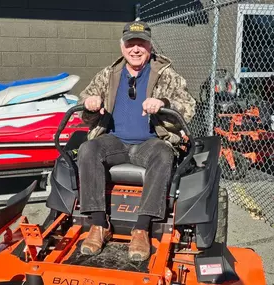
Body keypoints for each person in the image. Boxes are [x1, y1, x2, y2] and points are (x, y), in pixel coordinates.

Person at [77, 20, 196, 261]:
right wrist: (90, 104)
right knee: (88, 149)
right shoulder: (109, 74)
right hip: (114, 141)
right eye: (131, 43)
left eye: (141, 43)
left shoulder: (166, 75)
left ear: (149, 46)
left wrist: (164, 104)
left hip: (150, 142)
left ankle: (141, 228)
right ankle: (99, 225)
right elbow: (84, 106)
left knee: (164, 154)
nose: (135, 49)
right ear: (122, 47)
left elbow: (189, 106)